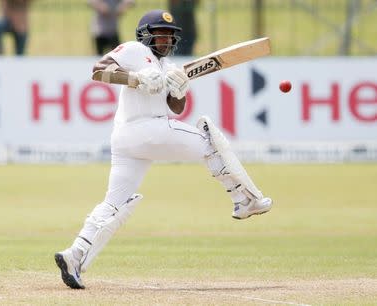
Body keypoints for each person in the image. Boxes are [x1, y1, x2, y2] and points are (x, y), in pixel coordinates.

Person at [55, 9, 273, 289]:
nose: (167, 39)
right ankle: (244, 199)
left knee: (114, 204)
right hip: (143, 129)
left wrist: (179, 91)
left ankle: (74, 256)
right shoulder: (134, 50)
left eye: (170, 35)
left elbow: (176, 108)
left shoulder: (170, 67)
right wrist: (135, 78)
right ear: (146, 34)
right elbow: (99, 70)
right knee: (208, 137)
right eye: (161, 33)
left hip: (131, 140)